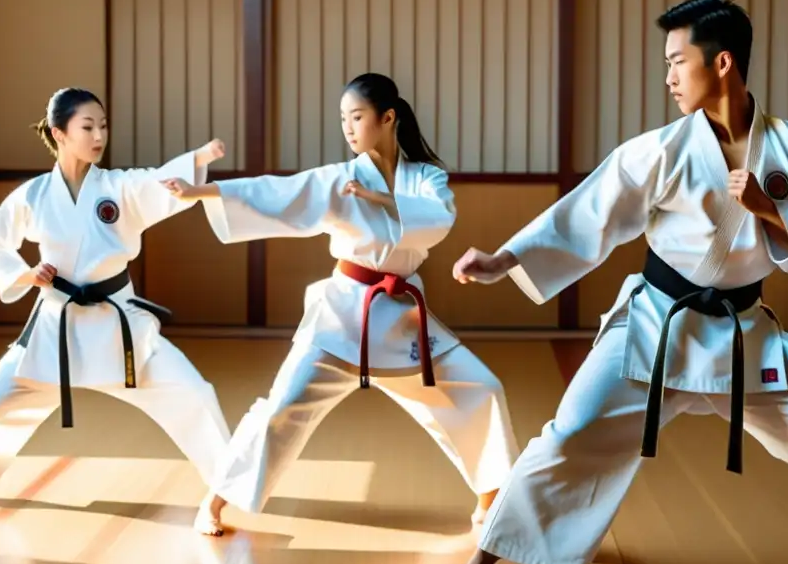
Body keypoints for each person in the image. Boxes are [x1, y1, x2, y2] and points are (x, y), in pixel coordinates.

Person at [426, 0, 788, 564]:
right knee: (568, 438)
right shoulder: (658, 150)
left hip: (744, 335)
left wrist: (771, 210)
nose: (668, 77)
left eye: (677, 61)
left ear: (723, 61)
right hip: (655, 327)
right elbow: (587, 213)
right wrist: (504, 259)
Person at [162, 72, 520, 536]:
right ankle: (215, 499)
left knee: (480, 388)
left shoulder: (425, 176)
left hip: (402, 319)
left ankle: (489, 498)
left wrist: (381, 200)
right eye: (343, 119)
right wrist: (203, 191)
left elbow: (439, 219)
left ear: (387, 118)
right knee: (283, 407)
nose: (348, 128)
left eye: (357, 117)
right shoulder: (339, 179)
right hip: (344, 314)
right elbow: (277, 192)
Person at [0, 87, 233, 537]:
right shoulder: (33, 195)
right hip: (57, 324)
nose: (98, 136)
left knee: (195, 393)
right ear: (59, 133)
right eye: (87, 127)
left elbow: (156, 181)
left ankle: (220, 496)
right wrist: (27, 274)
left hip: (119, 325)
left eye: (103, 126)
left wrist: (198, 158)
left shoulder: (116, 187)